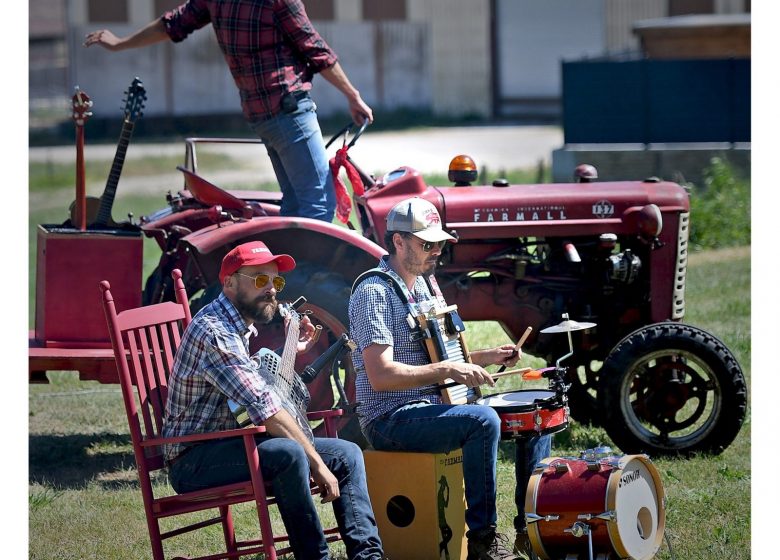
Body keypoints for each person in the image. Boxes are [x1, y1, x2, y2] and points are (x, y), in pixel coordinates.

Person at [348, 197, 551, 560]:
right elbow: (380, 376)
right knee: (483, 420)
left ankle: (531, 529)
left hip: (432, 404)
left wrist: (487, 358)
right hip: (389, 418)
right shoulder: (373, 292)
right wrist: (448, 370)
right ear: (398, 242)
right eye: (427, 244)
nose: (436, 251)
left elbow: (442, 354)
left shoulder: (425, 285)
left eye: (440, 243)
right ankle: (483, 542)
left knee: (535, 414)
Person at [163, 240, 384, 559]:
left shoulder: (235, 326)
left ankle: (368, 557)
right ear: (229, 283)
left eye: (276, 281)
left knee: (347, 453)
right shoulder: (215, 332)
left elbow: (254, 379)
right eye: (259, 280)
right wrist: (317, 464)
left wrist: (293, 350)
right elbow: (265, 408)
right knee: (289, 452)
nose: (271, 289)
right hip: (194, 459)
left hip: (230, 441)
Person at [84, 0, 373, 222]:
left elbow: (172, 24)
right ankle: (302, 283)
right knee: (318, 203)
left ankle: (285, 278)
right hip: (290, 110)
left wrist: (120, 43)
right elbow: (315, 48)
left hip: (262, 116)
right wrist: (353, 95)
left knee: (297, 203)